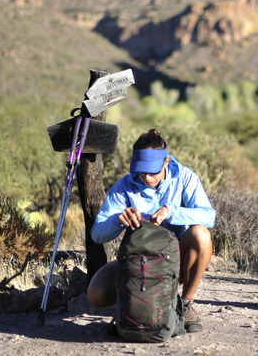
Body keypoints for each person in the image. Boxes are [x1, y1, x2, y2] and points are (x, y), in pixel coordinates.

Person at [87, 129, 215, 333]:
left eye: (152, 172)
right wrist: (117, 220)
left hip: (175, 261)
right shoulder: (124, 186)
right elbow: (97, 234)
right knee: (97, 294)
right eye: (141, 172)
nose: (146, 178)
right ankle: (135, 304)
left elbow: (209, 216)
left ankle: (185, 304)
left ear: (165, 162)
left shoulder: (184, 177)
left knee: (201, 235)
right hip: (137, 263)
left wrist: (172, 212)